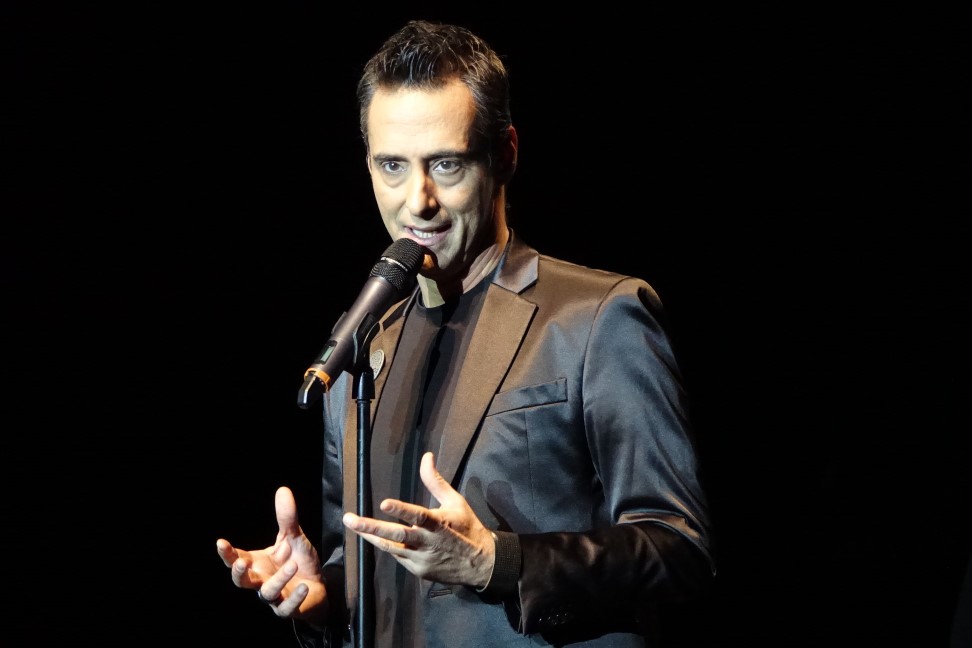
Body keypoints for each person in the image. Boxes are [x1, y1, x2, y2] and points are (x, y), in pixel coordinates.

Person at [217, 19, 715, 647]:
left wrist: (497, 564)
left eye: (446, 164)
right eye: (392, 165)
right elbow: (366, 572)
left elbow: (679, 550)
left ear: (505, 154)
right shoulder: (363, 346)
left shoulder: (597, 316)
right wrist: (320, 598)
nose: (417, 200)